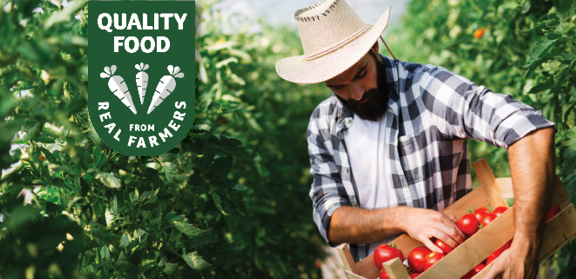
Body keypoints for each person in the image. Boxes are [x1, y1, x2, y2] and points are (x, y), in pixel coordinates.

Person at [275, 0, 557, 278]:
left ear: (374, 47)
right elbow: (330, 220)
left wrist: (525, 247)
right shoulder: (323, 122)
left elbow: (529, 128)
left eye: (362, 74)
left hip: (457, 268)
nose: (357, 94)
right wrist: (403, 217)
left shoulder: (427, 89)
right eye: (339, 86)